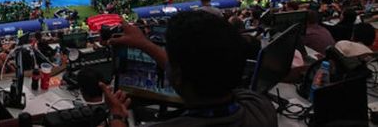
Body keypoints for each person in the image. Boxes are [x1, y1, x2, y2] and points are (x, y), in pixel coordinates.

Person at [102, 11, 278, 127]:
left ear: (177, 75)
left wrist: (117, 116)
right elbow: (203, 64)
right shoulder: (260, 107)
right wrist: (145, 44)